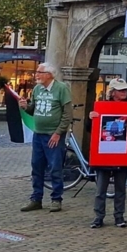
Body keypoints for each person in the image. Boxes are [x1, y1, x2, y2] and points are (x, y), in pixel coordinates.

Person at [87, 78, 127, 229]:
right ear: (112, 92)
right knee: (101, 189)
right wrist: (91, 118)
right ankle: (98, 217)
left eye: (125, 89)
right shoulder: (101, 107)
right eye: (120, 90)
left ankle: (119, 216)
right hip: (105, 154)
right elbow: (90, 129)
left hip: (121, 154)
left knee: (120, 189)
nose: (124, 92)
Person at [19, 63, 73, 213]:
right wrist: (25, 106)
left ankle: (56, 199)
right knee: (36, 167)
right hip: (39, 134)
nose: (36, 74)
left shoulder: (61, 89)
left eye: (40, 72)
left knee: (55, 167)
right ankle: (36, 199)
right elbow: (33, 110)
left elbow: (67, 114)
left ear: (50, 74)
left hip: (53, 135)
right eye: (36, 72)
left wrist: (58, 133)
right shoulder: (37, 89)